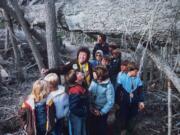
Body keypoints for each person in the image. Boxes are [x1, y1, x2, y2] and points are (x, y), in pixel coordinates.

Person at [116, 62, 145, 135]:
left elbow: (140, 91)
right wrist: (117, 102)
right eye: (135, 71)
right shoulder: (122, 78)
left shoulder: (138, 79)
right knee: (123, 118)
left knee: (132, 119)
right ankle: (122, 130)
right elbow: (117, 91)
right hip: (124, 103)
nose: (137, 73)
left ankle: (129, 132)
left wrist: (141, 101)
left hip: (134, 103)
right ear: (130, 71)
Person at [88, 66, 114, 135]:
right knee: (92, 127)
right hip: (92, 109)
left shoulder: (108, 86)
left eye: (95, 75)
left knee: (101, 127)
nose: (93, 76)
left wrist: (101, 112)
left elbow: (110, 102)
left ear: (100, 76)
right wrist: (90, 106)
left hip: (101, 110)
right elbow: (89, 93)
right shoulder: (94, 81)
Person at [65, 69, 88, 135]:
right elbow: (73, 107)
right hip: (77, 116)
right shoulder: (75, 91)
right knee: (78, 132)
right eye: (77, 73)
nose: (80, 72)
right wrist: (84, 111)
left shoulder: (81, 86)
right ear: (76, 80)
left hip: (81, 114)